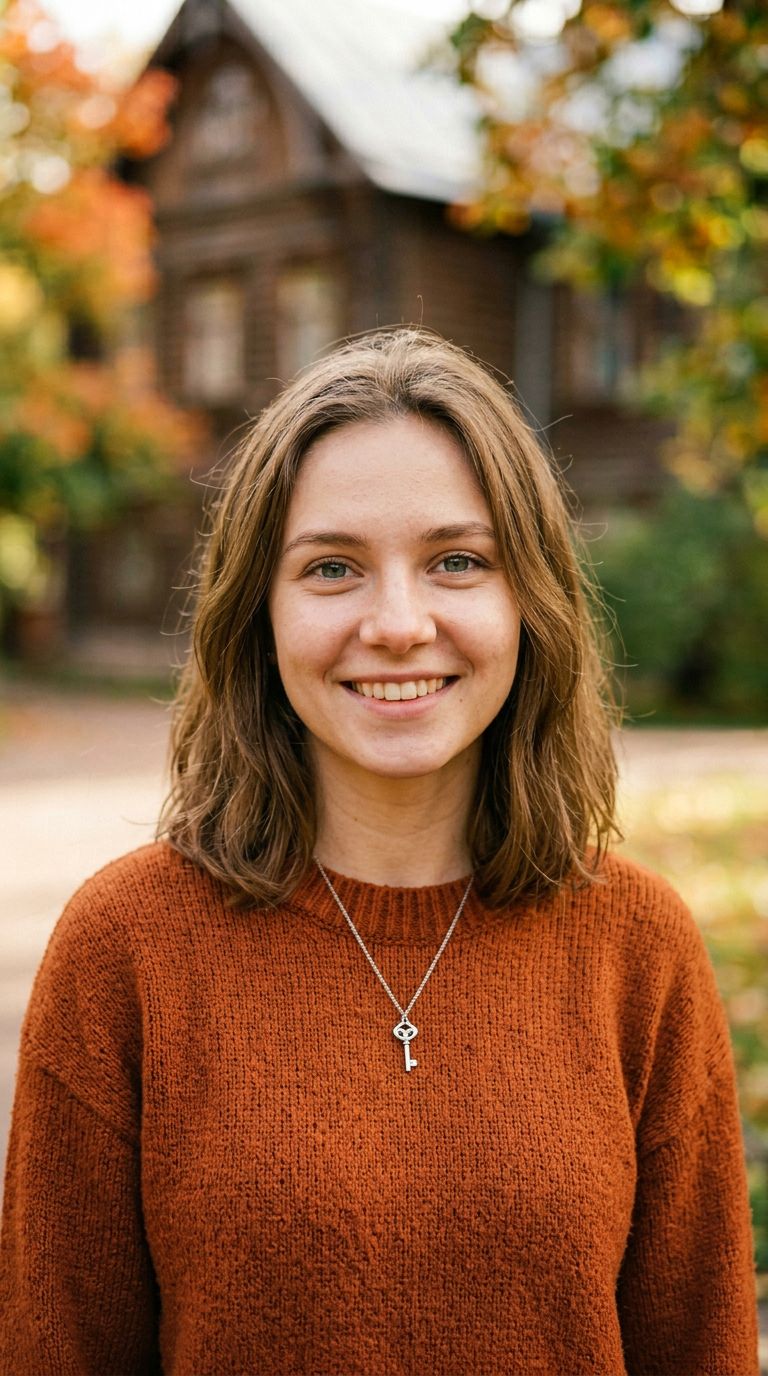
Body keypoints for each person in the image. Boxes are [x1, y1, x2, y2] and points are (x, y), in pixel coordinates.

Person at [0, 327, 759, 1375]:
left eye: (457, 560)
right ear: (257, 613)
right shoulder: (125, 947)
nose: (398, 623)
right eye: (332, 568)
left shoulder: (640, 949)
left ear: (527, 598)